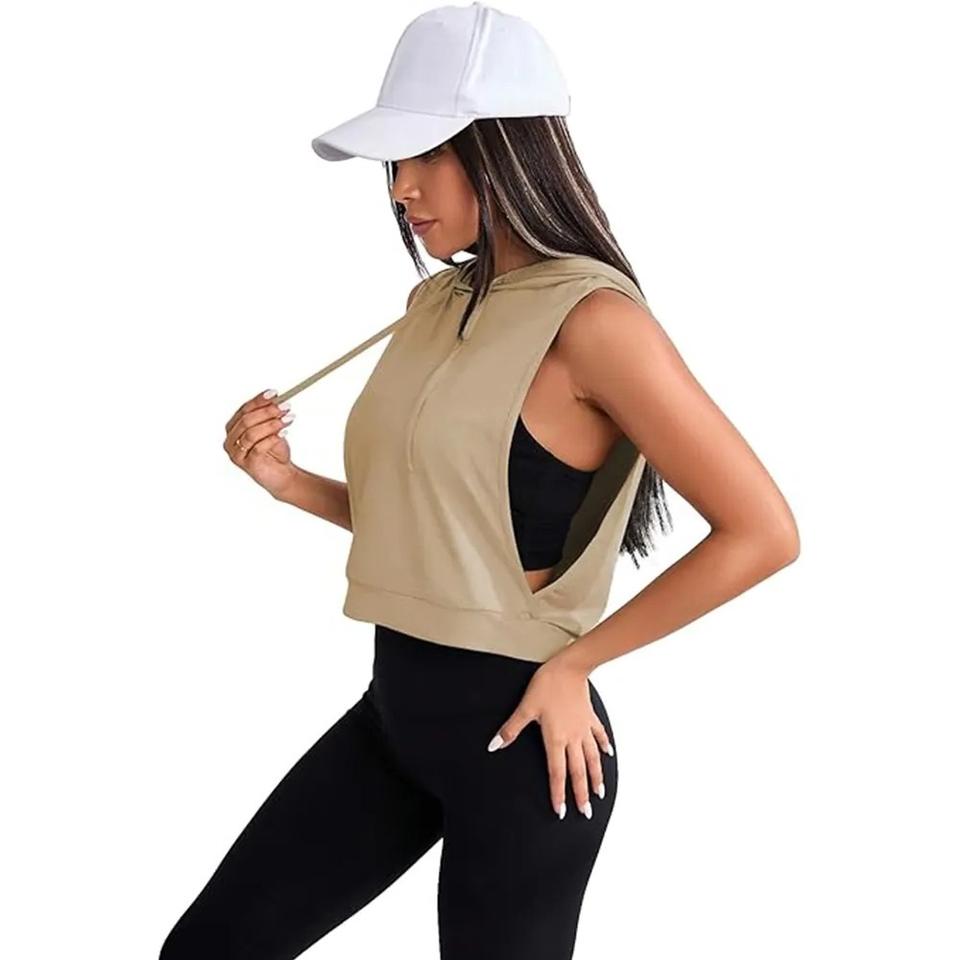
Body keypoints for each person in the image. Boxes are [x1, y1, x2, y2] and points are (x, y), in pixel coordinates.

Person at [159, 4, 800, 958]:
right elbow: (443, 528)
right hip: (393, 717)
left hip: (526, 744)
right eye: (395, 163)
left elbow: (764, 532)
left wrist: (577, 664)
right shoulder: (437, 301)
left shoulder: (597, 324)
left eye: (427, 155)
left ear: (504, 150)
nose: (401, 189)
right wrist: (290, 484)